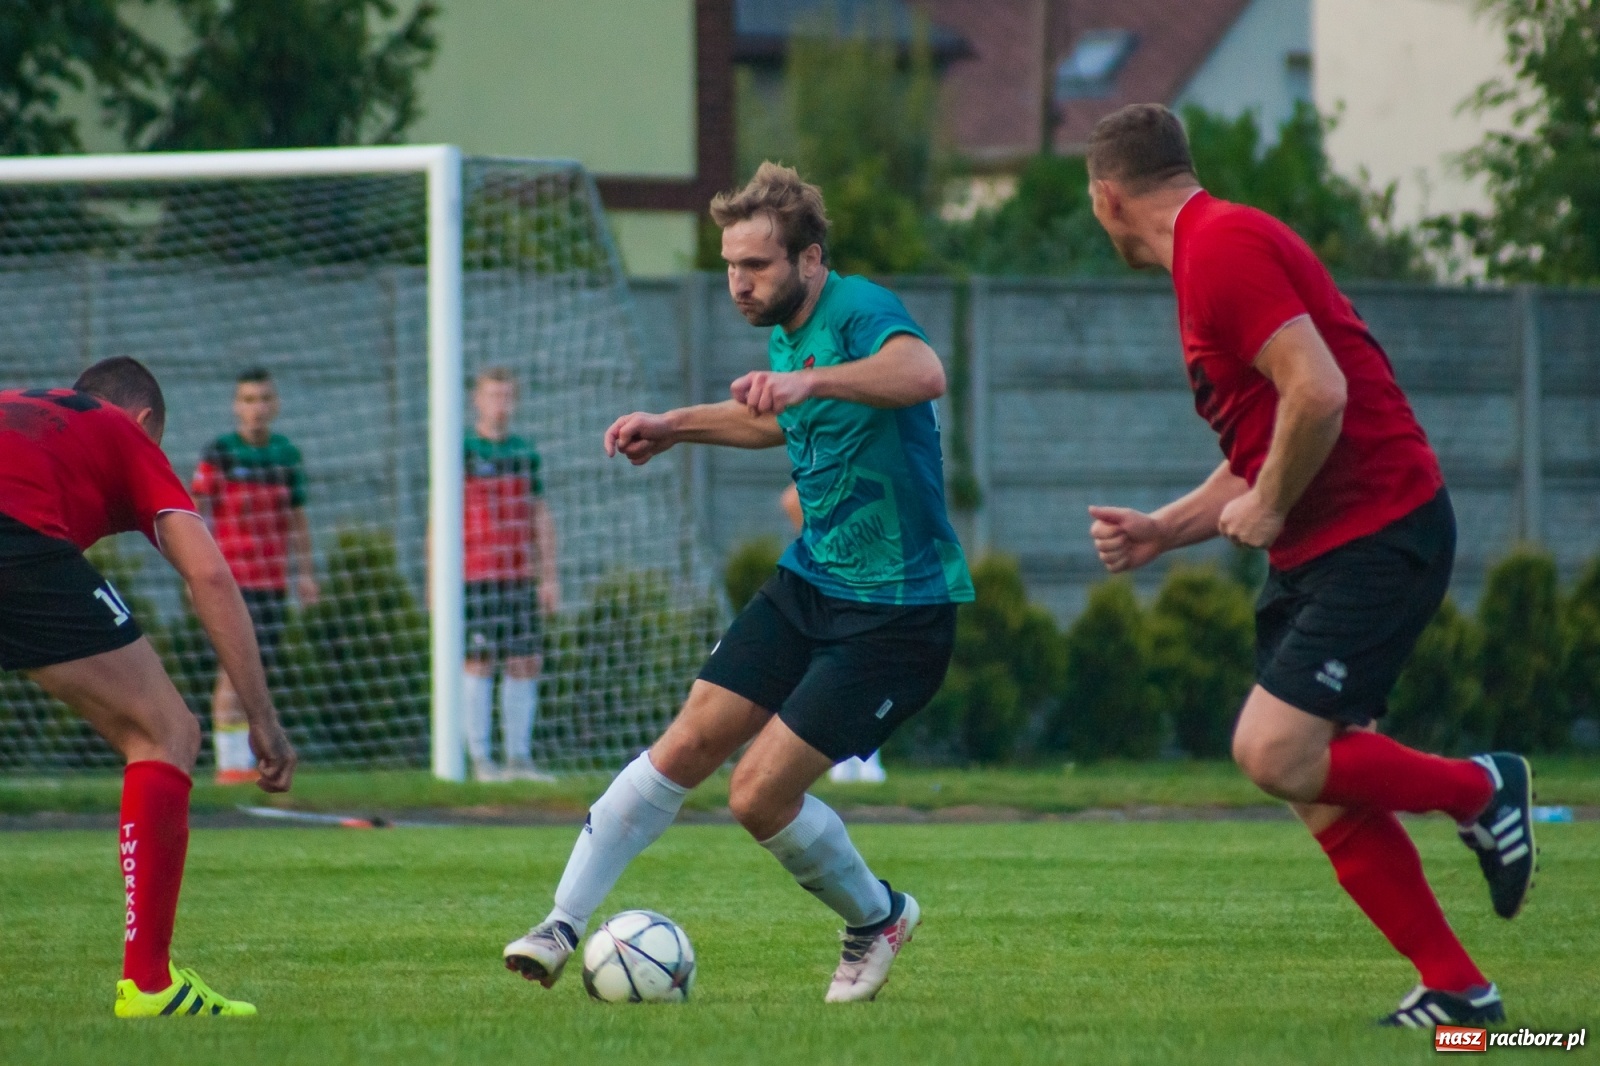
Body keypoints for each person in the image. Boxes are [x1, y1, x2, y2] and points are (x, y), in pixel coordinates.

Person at [1082, 104, 1534, 1027]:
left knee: (1272, 750)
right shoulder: (1211, 250)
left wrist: (1273, 504)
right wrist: (1165, 530)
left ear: (1107, 198)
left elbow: (1318, 393)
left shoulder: (1221, 248)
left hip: (1379, 529)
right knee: (1313, 782)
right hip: (1327, 546)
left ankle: (1481, 789)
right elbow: (1268, 439)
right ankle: (1460, 993)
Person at [501, 162, 973, 1002]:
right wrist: (673, 425)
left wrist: (808, 379)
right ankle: (560, 925)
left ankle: (878, 917)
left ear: (810, 260)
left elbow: (923, 373)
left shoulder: (858, 309)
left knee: (756, 795)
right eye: (729, 266)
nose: (738, 283)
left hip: (898, 611)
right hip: (813, 581)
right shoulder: (788, 331)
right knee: (689, 740)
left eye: (755, 265)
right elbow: (778, 419)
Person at [0, 357, 297, 1018]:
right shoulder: (122, 432)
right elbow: (209, 575)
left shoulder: (28, 413)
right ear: (143, 421)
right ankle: (149, 983)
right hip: (14, 537)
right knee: (166, 732)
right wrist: (263, 721)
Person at [190, 367, 317, 785]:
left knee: (256, 673)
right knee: (233, 669)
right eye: (248, 400)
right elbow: (194, 514)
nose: (256, 408)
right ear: (235, 406)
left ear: (275, 405)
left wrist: (305, 574)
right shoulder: (220, 453)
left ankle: (244, 762)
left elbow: (297, 520)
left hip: (271, 583)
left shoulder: (286, 455)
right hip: (229, 582)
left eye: (263, 399)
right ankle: (229, 766)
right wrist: (194, 573)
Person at [462, 366, 559, 783]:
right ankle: (479, 760)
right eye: (492, 396)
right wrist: (436, 580)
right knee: (478, 660)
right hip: (475, 573)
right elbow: (440, 515)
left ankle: (518, 759)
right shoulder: (462, 450)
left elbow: (539, 515)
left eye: (506, 396)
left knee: (524, 660)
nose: (499, 404)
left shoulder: (524, 453)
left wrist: (549, 577)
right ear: (476, 401)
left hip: (518, 574)